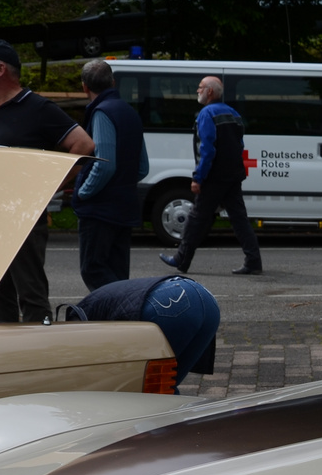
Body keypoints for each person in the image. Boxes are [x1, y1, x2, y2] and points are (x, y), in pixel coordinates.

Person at [0, 40, 95, 323]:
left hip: (22, 216)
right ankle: (5, 350)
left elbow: (84, 145)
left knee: (30, 291)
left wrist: (47, 186)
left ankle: (38, 352)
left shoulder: (37, 107)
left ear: (0, 69)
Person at [161, 76, 261, 275]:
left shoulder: (206, 114)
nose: (197, 91)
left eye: (200, 88)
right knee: (239, 219)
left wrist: (198, 177)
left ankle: (181, 259)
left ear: (210, 92)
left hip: (214, 177)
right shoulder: (233, 113)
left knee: (197, 218)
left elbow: (207, 149)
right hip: (233, 175)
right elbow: (239, 145)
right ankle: (254, 261)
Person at [73, 59, 149, 290]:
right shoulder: (130, 112)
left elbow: (105, 165)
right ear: (113, 82)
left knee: (93, 268)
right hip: (125, 205)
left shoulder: (102, 113)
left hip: (100, 209)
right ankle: (123, 317)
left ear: (85, 87)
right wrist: (123, 184)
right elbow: (142, 167)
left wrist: (84, 192)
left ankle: (124, 310)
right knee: (117, 270)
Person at [70, 274, 220, 389]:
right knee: (166, 387)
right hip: (207, 301)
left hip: (172, 303)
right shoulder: (91, 306)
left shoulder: (78, 319)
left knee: (152, 389)